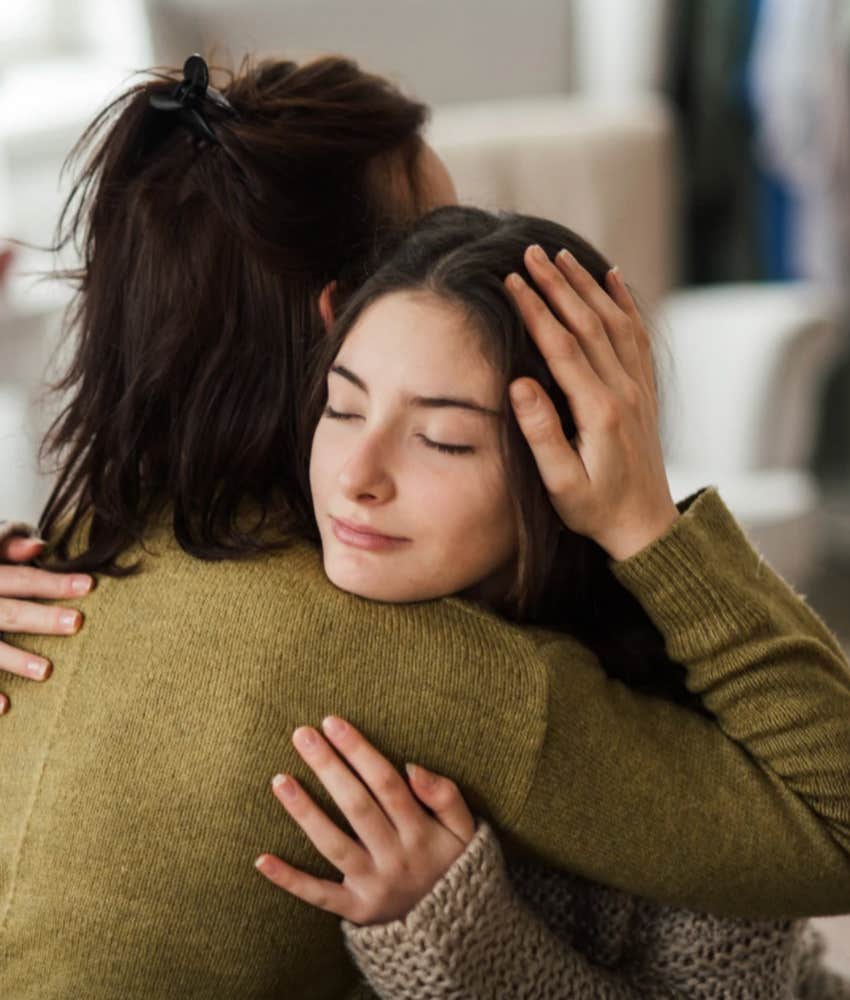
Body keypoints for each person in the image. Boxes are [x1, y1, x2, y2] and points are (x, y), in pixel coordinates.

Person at [0, 54, 848, 999]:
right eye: (424, 242)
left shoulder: (79, 537)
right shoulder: (407, 655)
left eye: (444, 436)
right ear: (340, 318)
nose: (452, 268)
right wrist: (653, 531)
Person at [249, 203, 850, 997]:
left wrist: (452, 934)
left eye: (444, 440)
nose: (357, 475)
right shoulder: (284, 554)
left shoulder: (659, 720)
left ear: (564, 458)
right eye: (343, 405)